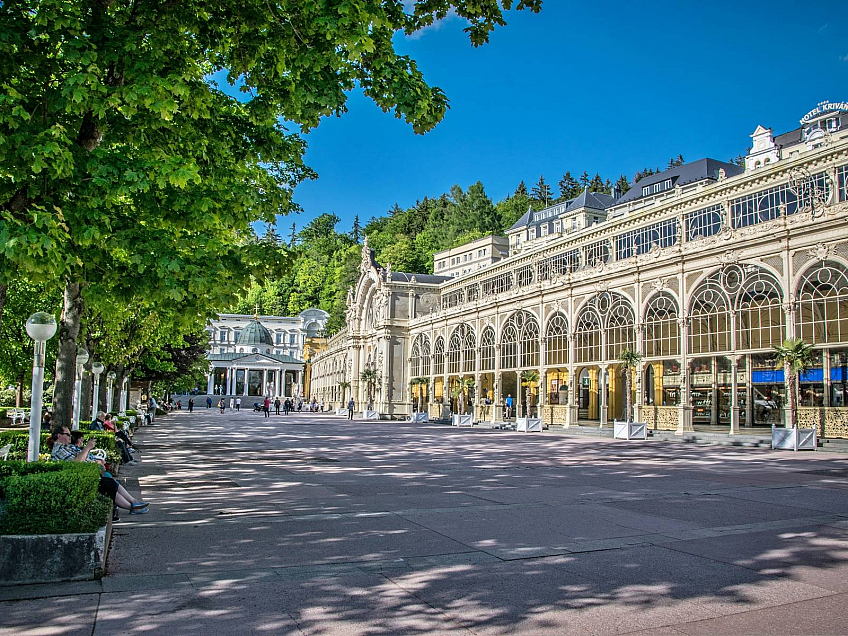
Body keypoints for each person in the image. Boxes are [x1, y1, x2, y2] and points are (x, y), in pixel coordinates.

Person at [47, 427, 149, 518]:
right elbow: (76, 463)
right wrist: (87, 448)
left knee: (109, 482)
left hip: (87, 474)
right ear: (59, 436)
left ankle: (133, 502)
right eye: (68, 434)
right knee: (107, 485)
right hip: (78, 480)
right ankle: (131, 507)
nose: (70, 437)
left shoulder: (66, 447)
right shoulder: (59, 449)